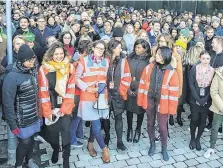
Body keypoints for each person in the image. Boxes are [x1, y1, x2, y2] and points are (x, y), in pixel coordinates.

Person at [2, 44, 41, 168]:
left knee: (32, 140)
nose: (32, 62)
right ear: (21, 61)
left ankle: (28, 160)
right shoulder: (11, 77)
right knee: (25, 142)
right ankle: (18, 165)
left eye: (33, 59)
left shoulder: (32, 70)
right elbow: (7, 103)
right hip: (22, 118)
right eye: (29, 60)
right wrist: (13, 124)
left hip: (34, 115)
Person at [138, 46, 179, 161]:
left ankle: (164, 148)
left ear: (166, 56)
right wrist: (141, 99)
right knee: (150, 123)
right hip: (150, 100)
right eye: (157, 53)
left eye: (160, 54)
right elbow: (142, 84)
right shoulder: (149, 68)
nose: (157, 56)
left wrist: (171, 109)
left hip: (163, 103)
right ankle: (152, 144)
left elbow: (174, 93)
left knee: (162, 127)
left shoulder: (172, 72)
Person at [38, 42, 76, 168]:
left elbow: (71, 90)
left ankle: (66, 161)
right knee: (52, 134)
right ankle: (55, 149)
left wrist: (65, 109)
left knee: (66, 133)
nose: (59, 56)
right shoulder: (44, 69)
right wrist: (48, 112)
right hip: (51, 105)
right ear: (51, 54)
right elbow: (43, 92)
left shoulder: (69, 67)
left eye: (61, 54)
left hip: (65, 105)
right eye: (56, 54)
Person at [75, 40, 110, 163]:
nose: (101, 50)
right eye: (98, 48)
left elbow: (107, 77)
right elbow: (76, 78)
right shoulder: (83, 61)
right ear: (93, 48)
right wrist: (86, 87)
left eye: (103, 49)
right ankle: (104, 148)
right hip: (88, 96)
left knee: (97, 122)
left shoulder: (106, 61)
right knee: (96, 124)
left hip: (101, 96)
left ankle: (90, 143)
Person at [104, 39, 131, 150]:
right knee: (105, 117)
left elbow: (127, 77)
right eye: (119, 47)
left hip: (117, 94)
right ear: (112, 48)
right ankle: (107, 135)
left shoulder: (123, 61)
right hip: (106, 93)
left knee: (118, 117)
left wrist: (121, 91)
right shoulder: (104, 60)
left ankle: (119, 141)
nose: (121, 49)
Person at [188, 51, 214, 151]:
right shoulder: (194, 69)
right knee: (194, 119)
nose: (205, 61)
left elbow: (212, 86)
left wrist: (205, 99)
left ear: (210, 59)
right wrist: (197, 99)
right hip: (195, 97)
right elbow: (191, 84)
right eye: (203, 58)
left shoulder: (212, 70)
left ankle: (198, 139)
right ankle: (192, 138)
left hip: (206, 98)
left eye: (207, 59)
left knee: (203, 120)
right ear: (200, 58)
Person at [126, 39, 151, 143]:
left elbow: (148, 78)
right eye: (136, 47)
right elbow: (125, 73)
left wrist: (138, 90)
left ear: (145, 49)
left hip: (141, 89)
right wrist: (127, 88)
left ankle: (138, 129)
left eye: (139, 47)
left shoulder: (148, 61)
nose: (136, 49)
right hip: (129, 86)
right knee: (129, 110)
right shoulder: (129, 58)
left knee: (140, 111)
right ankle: (130, 129)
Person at [70, 40, 92, 148]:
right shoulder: (80, 62)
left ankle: (79, 134)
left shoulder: (78, 60)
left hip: (79, 92)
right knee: (77, 116)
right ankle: (72, 139)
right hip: (77, 93)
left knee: (79, 115)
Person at [204, 64, 223, 158]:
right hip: (220, 107)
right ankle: (211, 147)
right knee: (215, 128)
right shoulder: (219, 73)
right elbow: (213, 91)